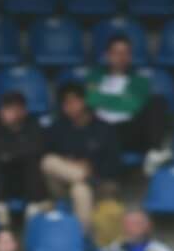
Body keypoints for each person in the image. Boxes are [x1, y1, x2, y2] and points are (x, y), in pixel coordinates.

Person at [41, 84, 117, 235]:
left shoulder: (103, 128)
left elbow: (113, 164)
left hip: (96, 183)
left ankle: (82, 238)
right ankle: (82, 176)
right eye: (66, 103)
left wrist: (92, 167)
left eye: (74, 101)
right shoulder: (57, 128)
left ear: (84, 101)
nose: (71, 106)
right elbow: (48, 156)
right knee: (47, 160)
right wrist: (73, 166)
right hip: (62, 184)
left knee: (80, 189)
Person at [85, 34, 169, 170]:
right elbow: (90, 100)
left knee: (158, 101)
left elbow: (132, 107)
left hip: (126, 130)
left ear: (130, 56)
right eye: (117, 53)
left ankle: (154, 152)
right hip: (98, 129)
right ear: (108, 55)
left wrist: (102, 98)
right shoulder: (95, 76)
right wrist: (121, 100)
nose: (121, 57)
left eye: (126, 53)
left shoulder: (140, 81)